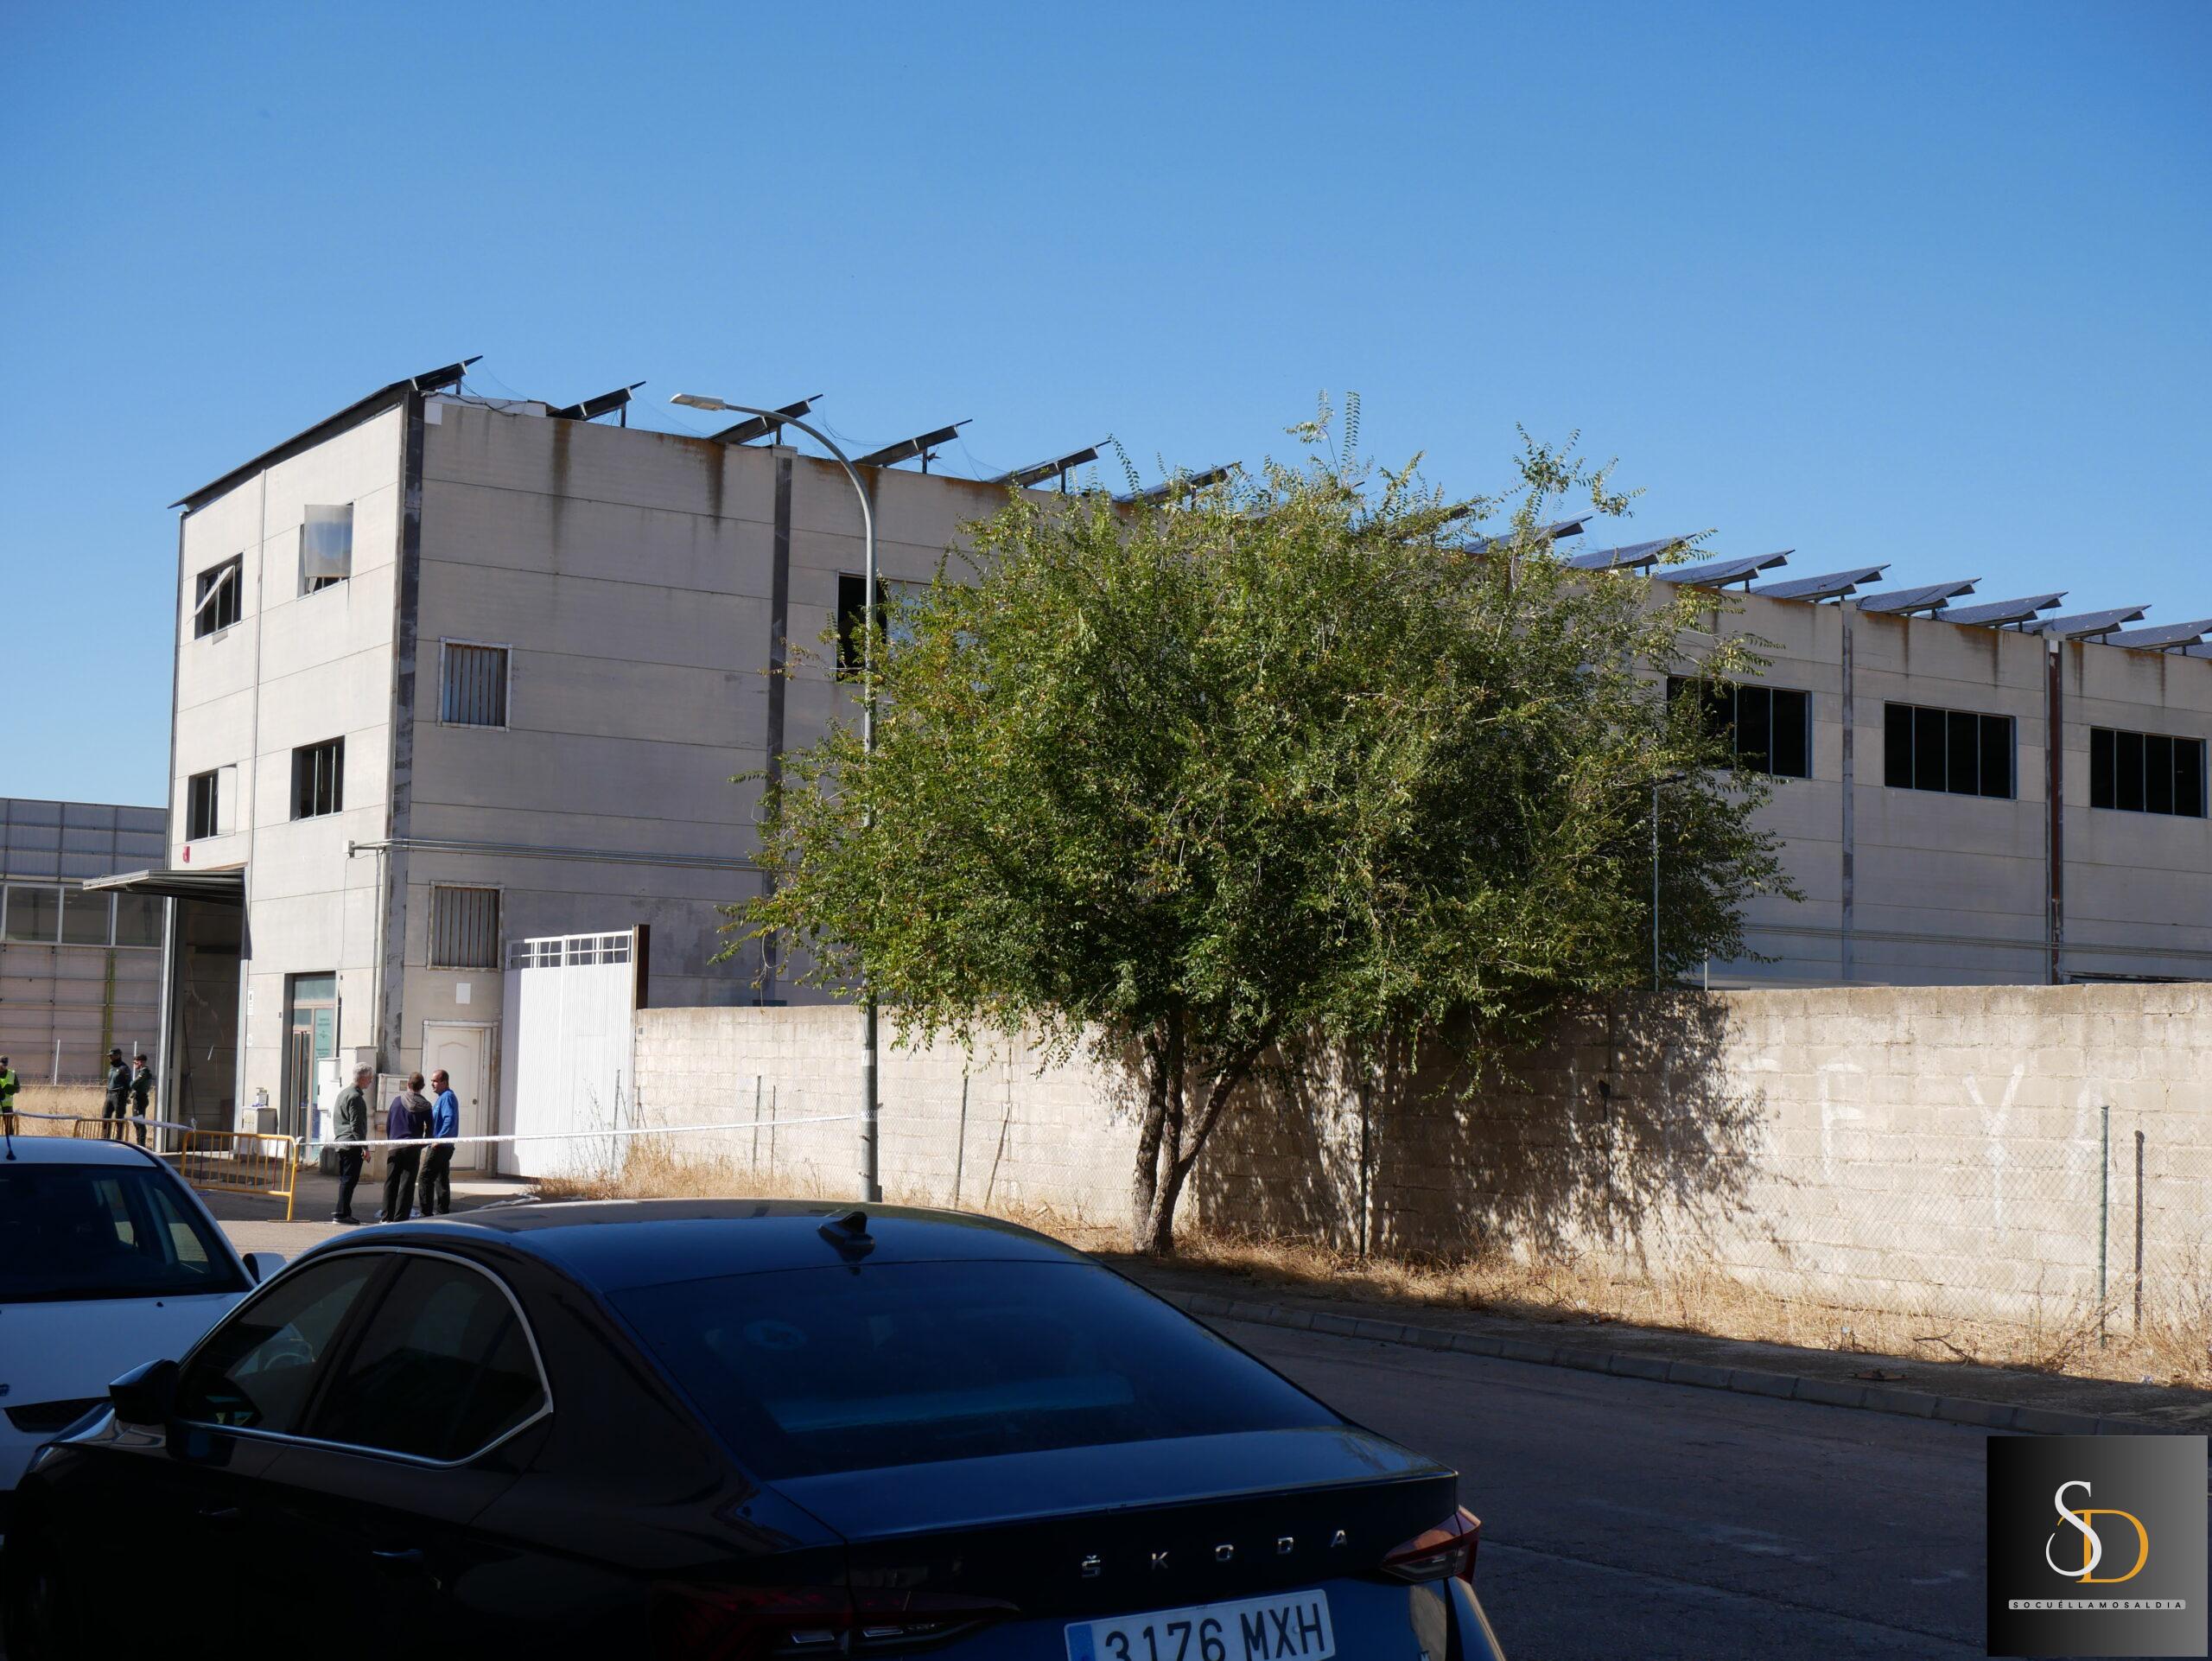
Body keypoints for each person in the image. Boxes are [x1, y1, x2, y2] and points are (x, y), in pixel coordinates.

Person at [380, 1072, 431, 1223]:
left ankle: (386, 1217)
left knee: (391, 1182)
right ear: (422, 1087)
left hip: (394, 1147)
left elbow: (389, 1125)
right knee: (407, 1185)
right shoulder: (426, 1106)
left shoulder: (396, 1101)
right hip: (412, 1148)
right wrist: (421, 1144)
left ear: (408, 1085)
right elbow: (431, 1132)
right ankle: (401, 1219)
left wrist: (391, 1141)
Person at [331, 1064, 372, 1225]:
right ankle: (341, 1214)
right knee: (349, 1180)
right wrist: (365, 1147)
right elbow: (357, 1126)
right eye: (369, 1078)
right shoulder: (355, 1097)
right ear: (362, 1078)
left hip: (342, 1142)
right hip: (351, 1144)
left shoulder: (343, 1093)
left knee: (346, 1180)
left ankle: (343, 1212)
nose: (370, 1081)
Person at [419, 1069, 461, 1217]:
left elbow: (450, 1119)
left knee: (425, 1178)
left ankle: (426, 1213)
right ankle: (443, 1211)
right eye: (431, 1081)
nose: (432, 1084)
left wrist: (439, 1139)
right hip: (443, 1145)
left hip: (441, 1146)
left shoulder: (447, 1097)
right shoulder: (442, 1098)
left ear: (444, 1082)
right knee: (441, 1178)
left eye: (435, 1081)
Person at [102, 1047, 131, 1142]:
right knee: (105, 1116)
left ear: (118, 1056)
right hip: (109, 1094)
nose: (110, 1058)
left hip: (119, 1095)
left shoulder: (124, 1068)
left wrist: (127, 1096)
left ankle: (118, 1140)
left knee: (119, 1118)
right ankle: (105, 1138)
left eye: (111, 1056)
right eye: (109, 1056)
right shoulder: (112, 1068)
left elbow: (129, 1083)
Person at [127, 1053, 156, 1147]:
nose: (134, 1065)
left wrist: (129, 1083)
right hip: (139, 1099)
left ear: (141, 1062)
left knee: (139, 1122)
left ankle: (141, 1144)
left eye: (135, 1063)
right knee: (136, 1122)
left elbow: (133, 1084)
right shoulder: (143, 1072)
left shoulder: (144, 1072)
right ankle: (139, 1143)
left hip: (140, 1099)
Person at [0, 1055, 18, 1137]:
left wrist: (13, 1089)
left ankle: (11, 1142)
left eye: (4, 1066)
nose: (2, 1067)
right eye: (1, 1066)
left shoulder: (12, 1074)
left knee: (9, 1129)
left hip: (7, 1106)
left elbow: (18, 1088)